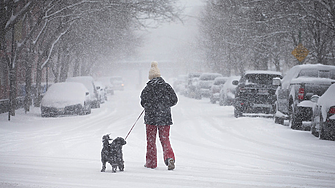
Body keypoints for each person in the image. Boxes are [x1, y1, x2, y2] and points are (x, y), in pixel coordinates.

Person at [140, 61, 178, 170]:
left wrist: (150, 106)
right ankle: (169, 158)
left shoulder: (147, 88)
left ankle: (151, 163)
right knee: (165, 139)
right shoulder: (166, 87)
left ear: (150, 77)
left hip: (150, 119)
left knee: (151, 141)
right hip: (164, 118)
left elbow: (143, 102)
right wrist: (164, 105)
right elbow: (174, 100)